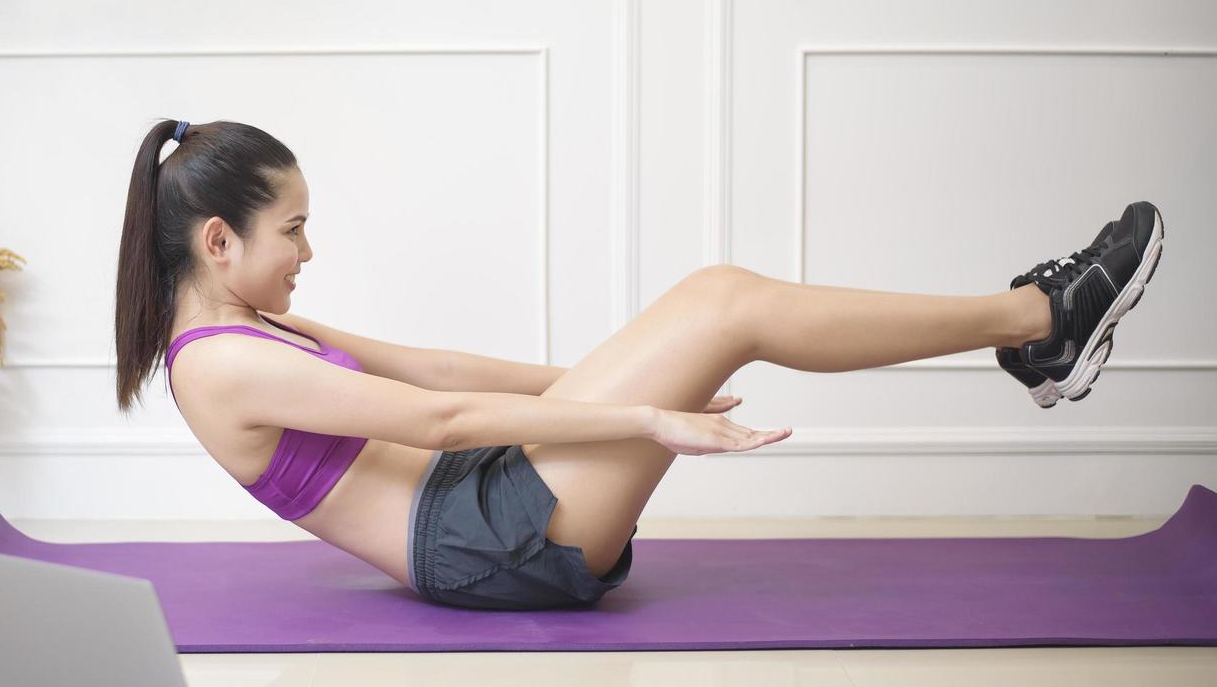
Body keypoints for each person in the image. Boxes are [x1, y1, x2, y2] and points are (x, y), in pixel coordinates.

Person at [114, 118, 1165, 612]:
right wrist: (646, 419)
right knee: (729, 303)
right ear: (218, 241)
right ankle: (1040, 319)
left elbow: (432, 370)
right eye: (293, 229)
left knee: (713, 299)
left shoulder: (254, 331)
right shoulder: (219, 368)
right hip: (479, 541)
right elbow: (433, 425)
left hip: (483, 496)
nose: (308, 250)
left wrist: (609, 378)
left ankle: (1038, 324)